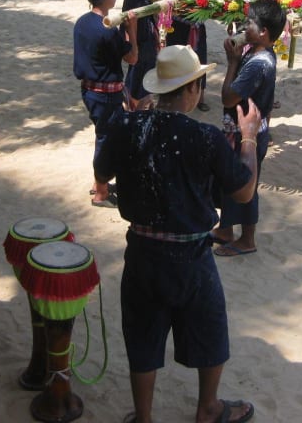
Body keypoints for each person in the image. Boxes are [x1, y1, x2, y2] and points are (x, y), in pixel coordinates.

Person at [94, 45, 260, 423]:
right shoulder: (205, 137)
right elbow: (244, 191)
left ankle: (144, 416)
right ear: (193, 89)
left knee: (142, 335)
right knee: (210, 328)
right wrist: (248, 136)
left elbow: (102, 174)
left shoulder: (126, 126)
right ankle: (209, 408)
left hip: (141, 250)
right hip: (190, 256)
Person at [212, 0, 286, 257]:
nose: (246, 26)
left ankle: (247, 239)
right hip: (244, 129)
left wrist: (232, 63)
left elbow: (228, 98)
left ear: (264, 32)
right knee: (232, 180)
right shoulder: (257, 51)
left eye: (251, 23)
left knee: (245, 183)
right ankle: (225, 229)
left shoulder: (259, 63)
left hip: (248, 133)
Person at [73, 0, 138, 207]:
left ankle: (98, 182)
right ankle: (101, 191)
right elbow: (132, 58)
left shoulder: (82, 22)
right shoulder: (106, 29)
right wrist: (132, 29)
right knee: (107, 141)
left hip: (90, 90)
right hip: (105, 95)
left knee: (104, 136)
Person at [163, 0, 209, 111]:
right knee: (177, 59)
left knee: (199, 60)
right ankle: (175, 94)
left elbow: (211, 5)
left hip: (197, 28)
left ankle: (200, 97)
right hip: (178, 28)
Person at [123, 0, 158, 110]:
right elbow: (132, 20)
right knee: (138, 83)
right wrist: (134, 48)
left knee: (140, 80)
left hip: (146, 42)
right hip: (141, 44)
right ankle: (136, 112)